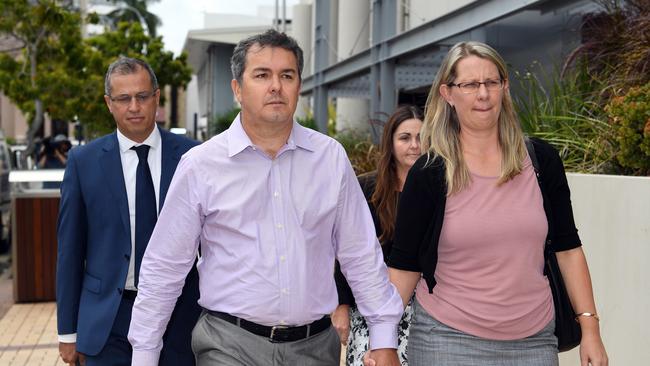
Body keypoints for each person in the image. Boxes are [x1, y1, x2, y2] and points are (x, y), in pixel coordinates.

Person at [128, 29, 404, 366]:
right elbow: (165, 267)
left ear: (298, 86)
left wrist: (384, 339)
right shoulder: (201, 165)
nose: (276, 86)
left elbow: (360, 254)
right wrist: (144, 354)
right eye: (262, 75)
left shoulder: (329, 158)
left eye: (286, 75)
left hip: (314, 347)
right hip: (229, 345)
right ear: (237, 89)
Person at [368, 41, 609, 366]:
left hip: (534, 341)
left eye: (491, 82)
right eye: (469, 84)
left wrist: (590, 329)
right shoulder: (428, 174)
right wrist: (383, 345)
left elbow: (568, 248)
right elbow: (405, 267)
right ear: (448, 94)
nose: (483, 94)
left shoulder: (542, 162)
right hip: (447, 339)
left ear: (504, 88)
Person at [56, 57, 201, 366]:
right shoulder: (84, 162)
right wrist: (67, 332)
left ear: (157, 98)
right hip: (109, 320)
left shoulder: (193, 156)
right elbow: (70, 251)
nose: (134, 106)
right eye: (123, 98)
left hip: (179, 316)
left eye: (142, 96)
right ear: (109, 103)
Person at [333, 105, 423, 365]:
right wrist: (341, 305)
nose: (415, 145)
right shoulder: (366, 187)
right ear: (391, 143)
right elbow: (345, 248)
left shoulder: (440, 187)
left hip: (426, 311)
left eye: (421, 137)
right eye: (405, 138)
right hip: (370, 305)